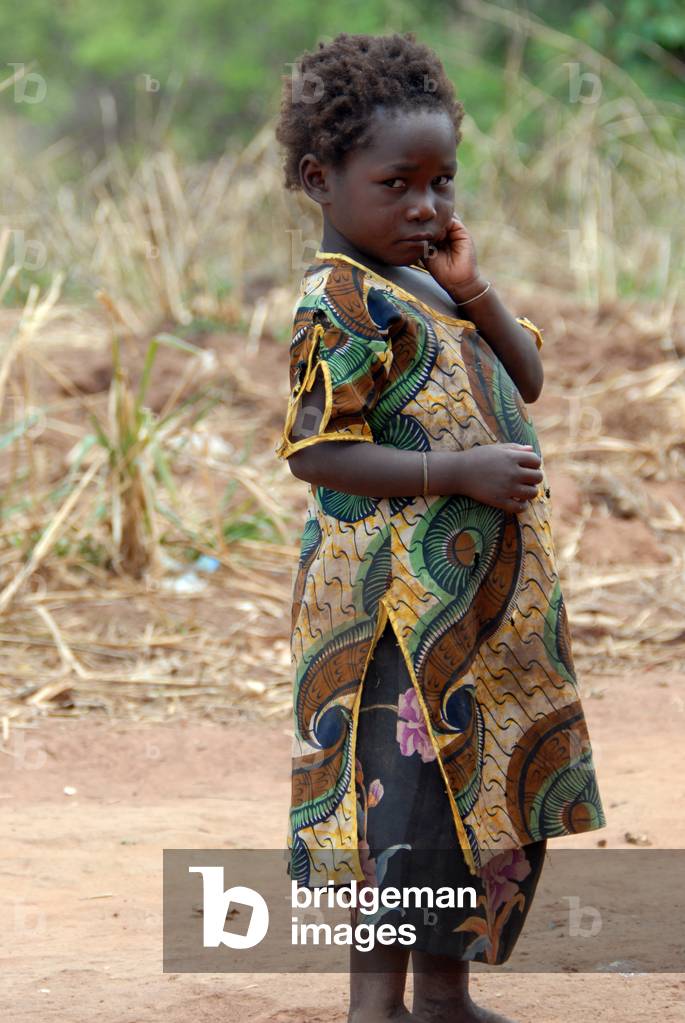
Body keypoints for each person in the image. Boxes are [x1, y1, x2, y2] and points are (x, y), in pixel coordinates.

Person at [273, 31, 607, 1023]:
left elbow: (529, 380)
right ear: (320, 179)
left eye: (443, 181)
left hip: (469, 616)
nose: (427, 205)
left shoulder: (429, 284)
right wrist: (453, 471)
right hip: (388, 628)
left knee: (467, 802)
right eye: (398, 183)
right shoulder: (336, 300)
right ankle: (375, 1007)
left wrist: (472, 287)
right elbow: (315, 450)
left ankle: (445, 1000)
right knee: (395, 817)